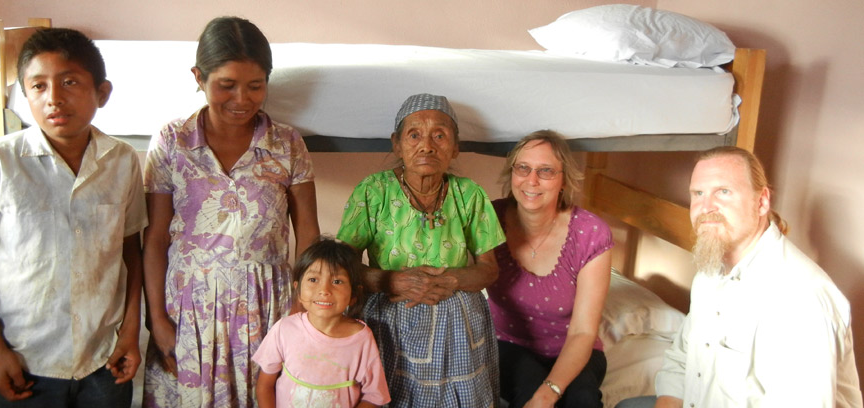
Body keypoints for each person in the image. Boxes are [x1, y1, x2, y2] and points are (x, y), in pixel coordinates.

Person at [0, 28, 146, 407]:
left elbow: (130, 250)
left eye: (69, 82)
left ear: (102, 93)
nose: (54, 98)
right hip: (25, 361)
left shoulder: (122, 161)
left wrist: (130, 331)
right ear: (25, 94)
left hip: (102, 359)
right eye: (38, 86)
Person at [142, 16, 320, 407]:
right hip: (189, 310)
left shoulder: (287, 144)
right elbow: (154, 238)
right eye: (226, 85)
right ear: (199, 77)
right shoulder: (172, 141)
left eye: (256, 87)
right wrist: (156, 318)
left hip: (266, 306)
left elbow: (308, 232)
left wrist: (298, 310)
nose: (242, 99)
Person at [616, 146, 862, 408]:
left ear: (762, 201)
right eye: (698, 193)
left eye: (724, 192)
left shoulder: (801, 297)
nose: (706, 206)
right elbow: (683, 357)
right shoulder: (710, 272)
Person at [337, 93, 505, 407]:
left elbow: (489, 268)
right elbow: (340, 266)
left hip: (456, 324)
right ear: (396, 144)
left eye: (439, 136)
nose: (427, 146)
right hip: (388, 318)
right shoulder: (373, 191)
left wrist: (452, 280)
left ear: (455, 148)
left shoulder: (469, 194)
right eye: (414, 135)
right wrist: (391, 281)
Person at [487, 131, 613, 408]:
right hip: (507, 343)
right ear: (512, 174)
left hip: (575, 346)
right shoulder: (489, 220)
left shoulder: (590, 233)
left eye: (546, 171)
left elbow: (583, 330)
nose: (531, 180)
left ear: (564, 180)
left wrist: (550, 391)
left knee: (583, 398)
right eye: (523, 168)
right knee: (529, 392)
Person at [252, 237, 391, 408]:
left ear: (354, 295)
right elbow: (265, 385)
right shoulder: (284, 329)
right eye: (313, 280)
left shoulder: (361, 339)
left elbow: (373, 397)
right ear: (298, 289)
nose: (324, 290)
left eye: (337, 281)